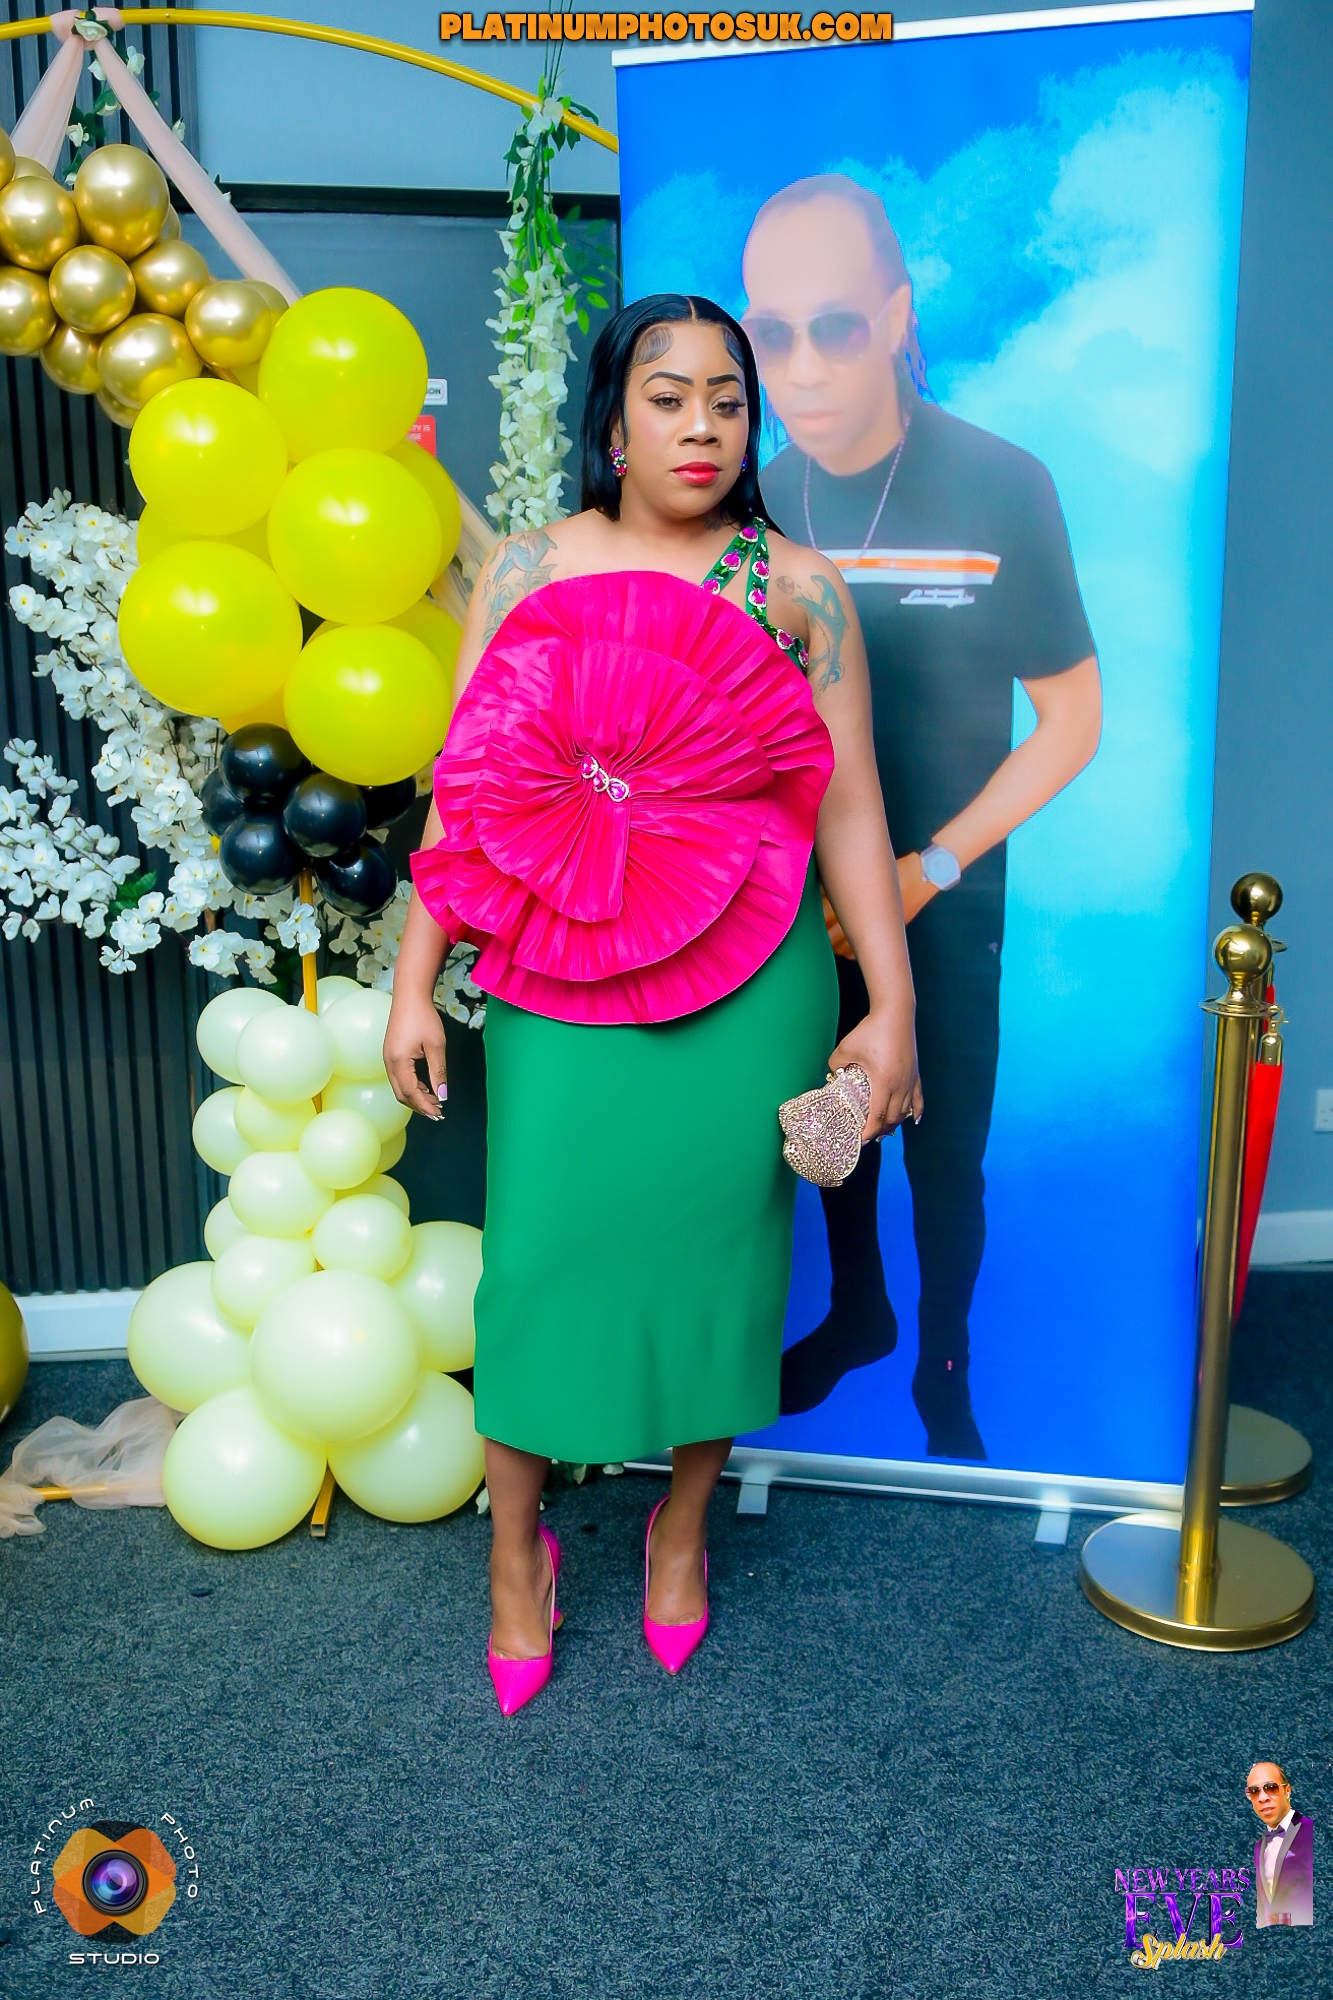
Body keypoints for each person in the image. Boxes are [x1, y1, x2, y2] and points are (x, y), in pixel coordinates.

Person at [384, 294, 921, 1714]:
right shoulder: (529, 570)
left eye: (727, 399)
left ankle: (680, 1530)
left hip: (752, 978)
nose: (702, 425)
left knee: (723, 1261)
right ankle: (517, 1553)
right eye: (668, 396)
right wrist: (413, 983)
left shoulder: (798, 588)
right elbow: (467, 786)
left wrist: (890, 1004)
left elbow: (851, 807)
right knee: (539, 1260)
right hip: (562, 965)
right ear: (612, 421)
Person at [742, 175, 1102, 1460]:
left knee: (944, 1149)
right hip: (795, 901)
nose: (801, 366)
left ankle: (942, 1366)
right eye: (771, 332)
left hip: (942, 891)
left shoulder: (1001, 483)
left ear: (897, 317)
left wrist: (928, 866)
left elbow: (1072, 719)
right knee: (825, 1120)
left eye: (835, 326)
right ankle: (859, 1311)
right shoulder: (753, 504)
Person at [1247, 1762, 1314, 1927]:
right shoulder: (1259, 1847)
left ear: (1287, 1790)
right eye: (1254, 1791)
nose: (1262, 1798)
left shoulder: (1311, 1831)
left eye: (1271, 1788)